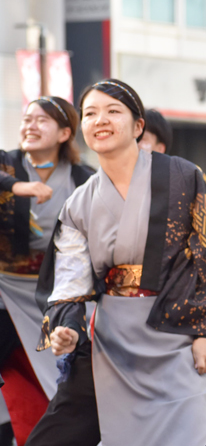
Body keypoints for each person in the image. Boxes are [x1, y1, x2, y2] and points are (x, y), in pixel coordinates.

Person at [28, 79, 206, 446]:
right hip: (112, 338)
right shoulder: (79, 202)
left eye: (112, 111)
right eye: (89, 113)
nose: (100, 120)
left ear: (139, 126)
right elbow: (70, 279)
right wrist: (69, 327)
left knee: (186, 432)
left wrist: (205, 332)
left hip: (174, 331)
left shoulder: (184, 176)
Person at [0, 96, 93, 445]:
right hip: (6, 290)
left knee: (67, 372)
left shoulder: (85, 177)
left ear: (65, 132)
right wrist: (16, 186)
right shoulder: (6, 164)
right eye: (27, 119)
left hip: (56, 294)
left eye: (42, 120)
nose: (30, 126)